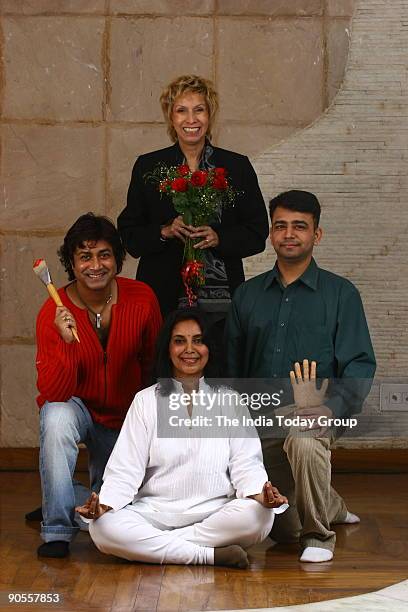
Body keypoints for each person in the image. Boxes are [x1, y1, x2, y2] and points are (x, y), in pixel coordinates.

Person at [225, 190, 376, 563]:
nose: (289, 234)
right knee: (283, 531)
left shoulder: (341, 295)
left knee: (306, 440)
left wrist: (330, 409)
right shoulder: (247, 296)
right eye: (280, 226)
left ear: (316, 235)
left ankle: (320, 535)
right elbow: (232, 368)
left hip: (313, 413)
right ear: (271, 234)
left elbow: (359, 364)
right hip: (260, 424)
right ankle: (331, 504)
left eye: (299, 226)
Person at [76, 309, 288, 568]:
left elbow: (247, 463)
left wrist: (260, 494)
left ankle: (158, 547)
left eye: (198, 340)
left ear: (210, 348)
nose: (190, 349)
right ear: (168, 349)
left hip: (215, 512)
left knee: (259, 517)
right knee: (103, 528)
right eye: (180, 341)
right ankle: (207, 555)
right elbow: (124, 470)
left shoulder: (230, 400)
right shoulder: (145, 401)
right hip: (154, 513)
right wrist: (104, 505)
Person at [32, 213, 162, 558]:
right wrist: (66, 342)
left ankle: (62, 496)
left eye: (104, 254)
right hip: (78, 407)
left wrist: (146, 424)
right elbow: (54, 393)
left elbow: (155, 367)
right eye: (84, 256)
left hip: (124, 417)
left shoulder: (142, 298)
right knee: (55, 417)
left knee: (115, 510)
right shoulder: (52, 310)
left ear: (117, 259)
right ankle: (57, 528)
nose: (95, 265)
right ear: (71, 263)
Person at [117, 74, 269, 319]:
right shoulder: (148, 166)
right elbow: (129, 236)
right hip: (163, 299)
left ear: (210, 115)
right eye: (181, 111)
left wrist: (219, 238)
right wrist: (164, 231)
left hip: (224, 303)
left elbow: (257, 233)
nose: (191, 119)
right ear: (171, 117)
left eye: (199, 110)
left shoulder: (237, 166)